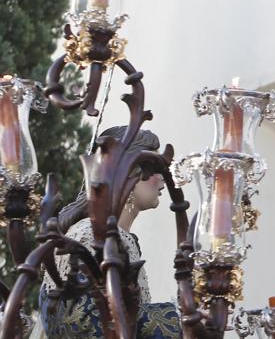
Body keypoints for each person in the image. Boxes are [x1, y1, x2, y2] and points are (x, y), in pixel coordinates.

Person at [38, 126, 179, 339]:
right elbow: (77, 323)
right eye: (155, 168)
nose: (163, 179)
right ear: (127, 173)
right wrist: (178, 320)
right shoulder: (89, 234)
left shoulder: (121, 239)